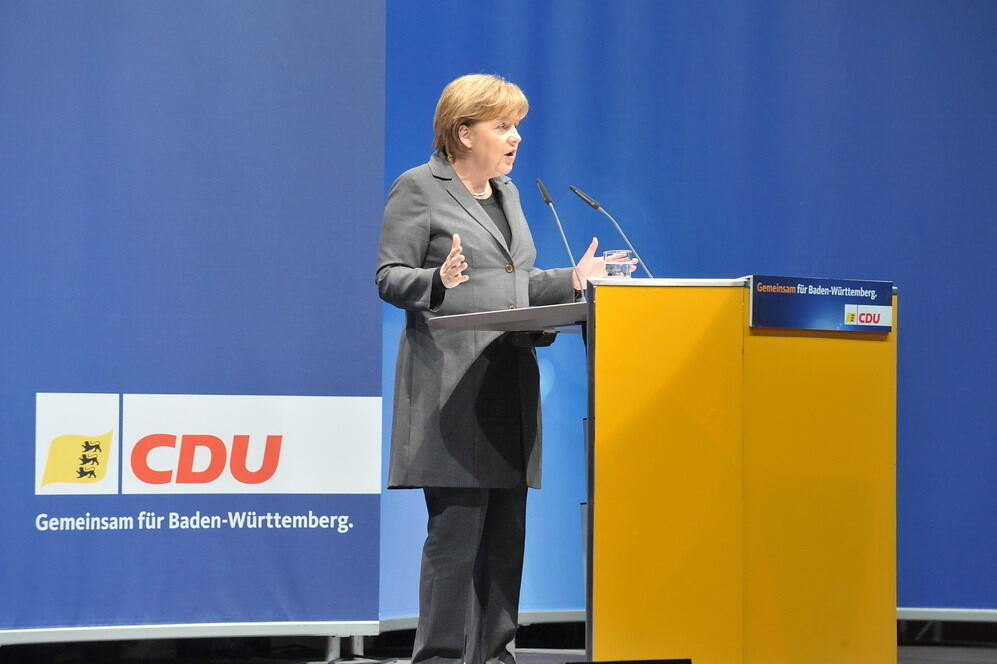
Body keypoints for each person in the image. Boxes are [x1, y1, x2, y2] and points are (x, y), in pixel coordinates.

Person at [375, 74, 606, 664]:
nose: (515, 138)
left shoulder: (508, 195)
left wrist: (573, 282)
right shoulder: (419, 188)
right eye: (503, 126)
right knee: (455, 538)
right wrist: (436, 280)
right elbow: (389, 276)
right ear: (463, 131)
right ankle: (443, 658)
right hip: (449, 389)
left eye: (517, 126)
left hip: (507, 382)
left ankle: (494, 653)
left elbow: (514, 284)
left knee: (506, 537)